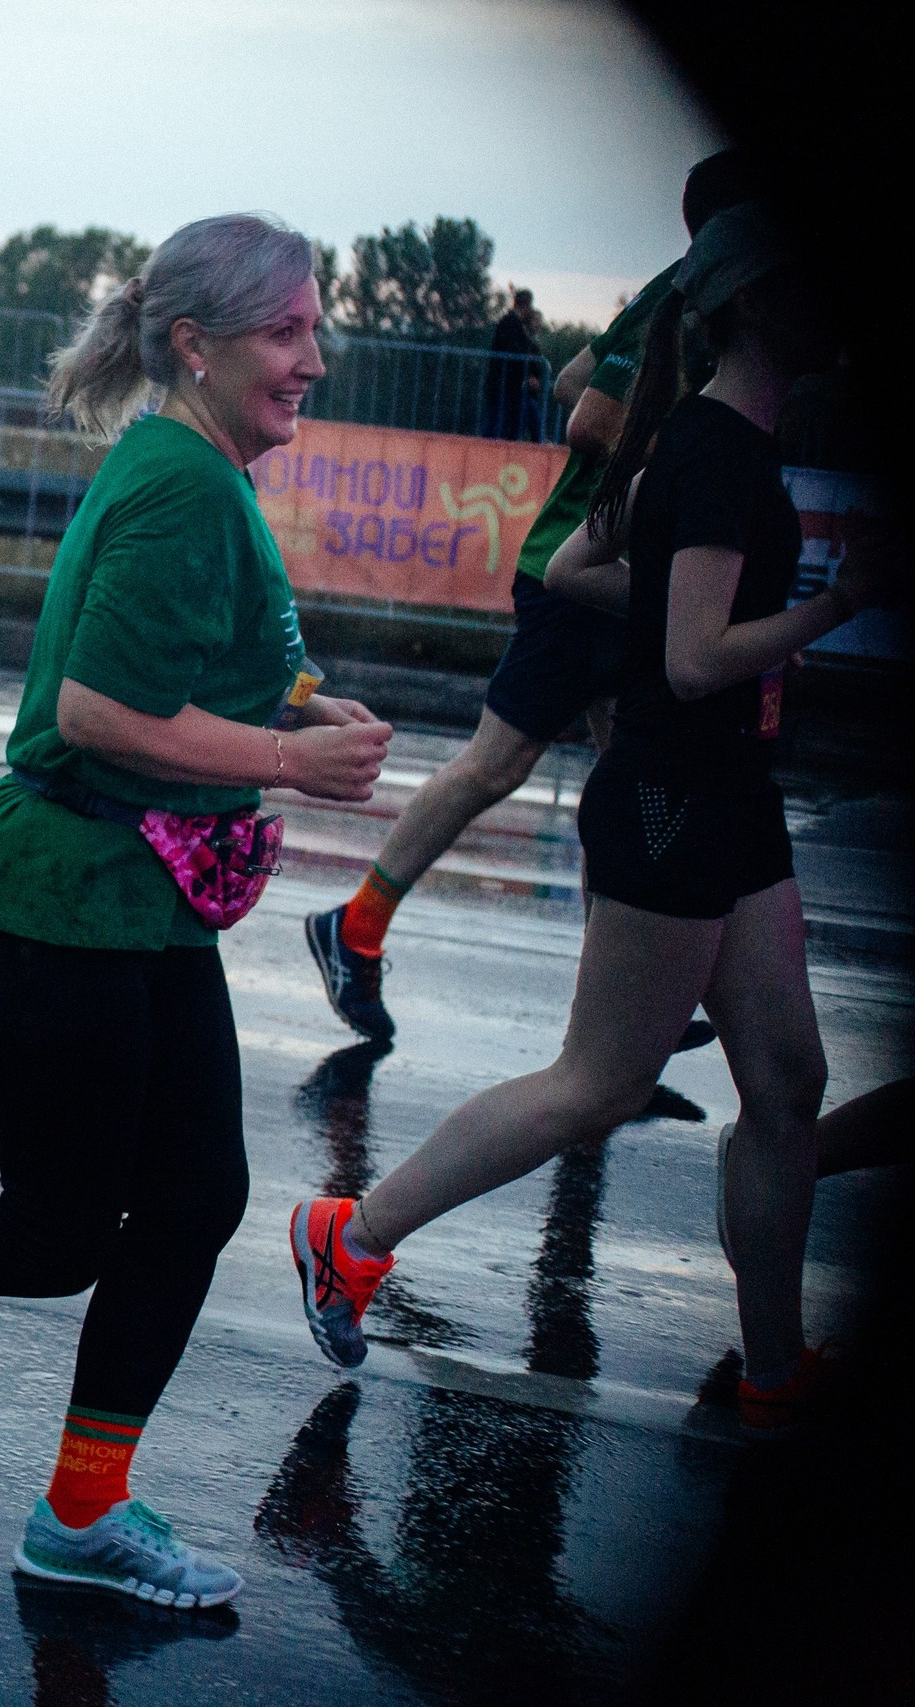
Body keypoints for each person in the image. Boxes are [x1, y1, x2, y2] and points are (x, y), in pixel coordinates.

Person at [0, 215, 393, 1609]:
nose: (313, 359)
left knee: (196, 1197)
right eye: (286, 333)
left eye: (314, 329)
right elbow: (96, 710)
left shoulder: (194, 468)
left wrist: (294, 704)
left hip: (130, 905)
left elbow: (180, 657)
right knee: (54, 1239)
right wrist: (290, 762)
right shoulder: (179, 486)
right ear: (195, 345)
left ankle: (84, 1508)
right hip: (58, 906)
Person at [290, 205, 883, 1441]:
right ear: (756, 303)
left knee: (787, 1081)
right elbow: (695, 660)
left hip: (729, 794)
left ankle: (774, 1370)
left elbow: (572, 570)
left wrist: (677, 593)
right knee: (597, 1083)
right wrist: (836, 607)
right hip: (674, 798)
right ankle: (352, 1232)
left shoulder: (705, 440)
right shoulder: (711, 451)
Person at [304, 149, 767, 1041]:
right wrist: (688, 451)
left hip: (612, 567)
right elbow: (588, 416)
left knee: (623, 778)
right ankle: (353, 927)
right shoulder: (685, 295)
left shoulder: (671, 290)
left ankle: (620, 1001)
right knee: (499, 763)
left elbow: (569, 378)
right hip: (582, 571)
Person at [479, 286, 543, 441]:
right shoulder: (511, 324)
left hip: (506, 383)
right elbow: (514, 353)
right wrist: (527, 372)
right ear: (526, 305)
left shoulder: (512, 323)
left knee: (499, 422)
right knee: (497, 423)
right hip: (503, 383)